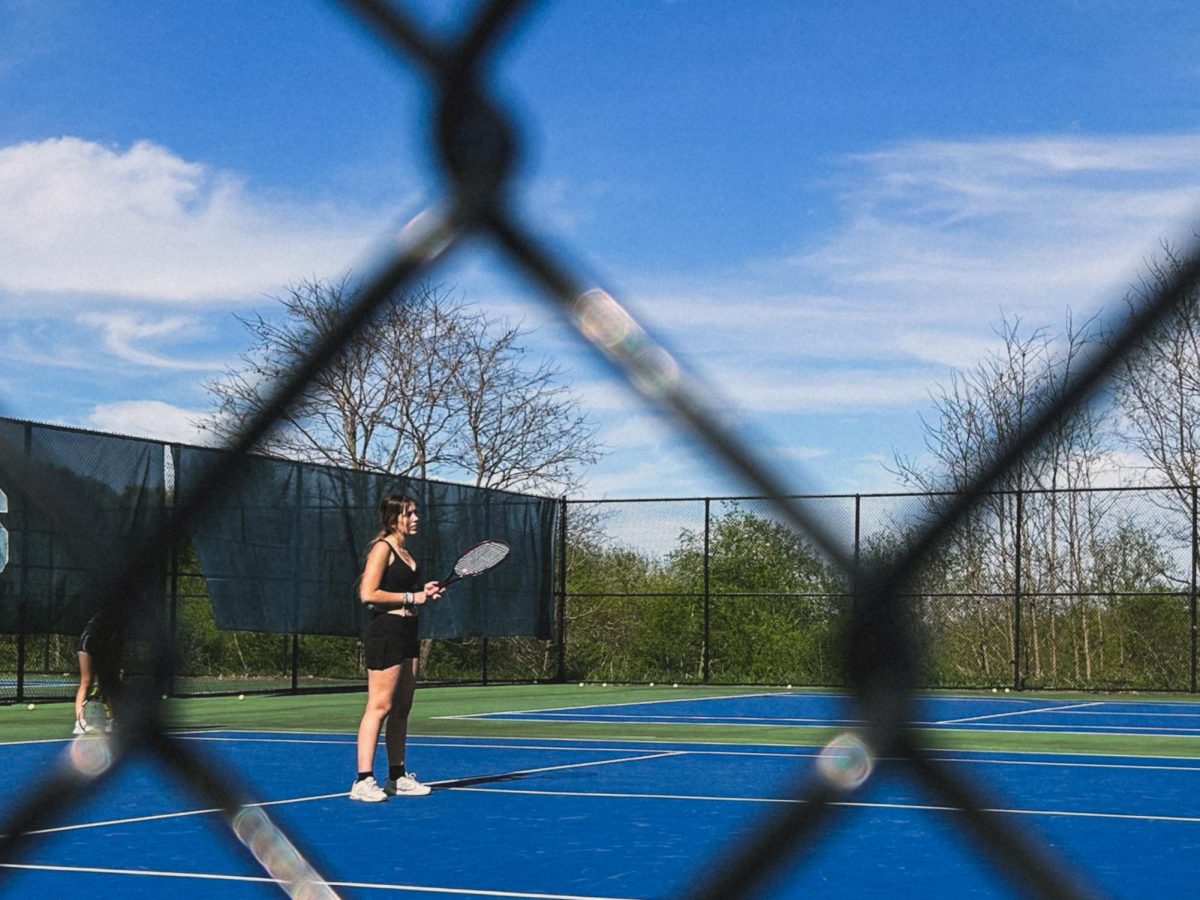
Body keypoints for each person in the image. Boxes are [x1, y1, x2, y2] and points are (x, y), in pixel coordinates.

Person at [350, 494, 444, 802]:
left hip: (408, 631)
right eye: (410, 514)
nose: (416, 518)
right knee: (380, 706)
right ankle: (363, 780)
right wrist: (410, 598)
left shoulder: (405, 551)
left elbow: (405, 591)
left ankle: (396, 776)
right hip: (386, 631)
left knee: (402, 708)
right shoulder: (383, 548)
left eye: (416, 513)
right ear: (394, 518)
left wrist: (422, 591)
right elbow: (368, 593)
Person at [73, 613, 114, 735]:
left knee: (108, 683)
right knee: (86, 681)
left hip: (103, 648)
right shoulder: (95, 625)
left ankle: (113, 721)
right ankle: (79, 724)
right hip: (87, 646)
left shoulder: (114, 627)